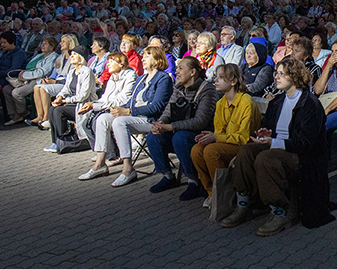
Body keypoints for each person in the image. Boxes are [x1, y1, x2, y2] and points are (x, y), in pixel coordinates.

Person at [221, 57, 334, 234]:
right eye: (276, 73)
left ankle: (280, 211)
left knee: (266, 158)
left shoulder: (310, 104)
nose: (276, 77)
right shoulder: (277, 102)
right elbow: (270, 129)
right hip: (278, 146)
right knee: (245, 152)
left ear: (295, 76)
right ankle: (243, 203)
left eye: (282, 74)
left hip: (302, 155)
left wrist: (273, 141)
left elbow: (305, 143)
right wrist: (265, 134)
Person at [80, 47, 174, 187]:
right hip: (136, 116)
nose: (142, 59)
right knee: (103, 119)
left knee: (119, 122)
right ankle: (100, 164)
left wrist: (127, 112)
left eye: (146, 57)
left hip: (152, 119)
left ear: (156, 60)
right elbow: (131, 101)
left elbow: (157, 107)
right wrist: (120, 109)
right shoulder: (141, 78)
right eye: (143, 56)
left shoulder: (163, 78)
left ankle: (127, 168)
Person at [145, 56, 218, 200]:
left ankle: (194, 181)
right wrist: (160, 124)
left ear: (192, 72)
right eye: (177, 68)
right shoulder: (178, 88)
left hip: (201, 133)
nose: (176, 72)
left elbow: (200, 121)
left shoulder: (206, 90)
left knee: (180, 138)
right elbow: (168, 111)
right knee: (153, 136)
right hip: (179, 129)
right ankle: (168, 176)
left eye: (180, 68)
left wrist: (170, 126)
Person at [190, 63, 261, 206]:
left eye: (221, 78)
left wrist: (216, 138)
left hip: (245, 146)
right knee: (196, 150)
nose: (216, 80)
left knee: (211, 151)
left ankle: (224, 194)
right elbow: (219, 132)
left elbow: (244, 138)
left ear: (234, 81)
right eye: (216, 77)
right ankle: (211, 192)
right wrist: (209, 136)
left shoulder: (245, 102)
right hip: (227, 143)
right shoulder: (221, 103)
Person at [76, 51, 137, 163]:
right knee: (86, 123)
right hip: (108, 107)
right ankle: (101, 152)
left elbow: (123, 99)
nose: (107, 64)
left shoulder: (130, 76)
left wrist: (96, 106)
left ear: (121, 64)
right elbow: (105, 97)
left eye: (111, 62)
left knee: (98, 121)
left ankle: (112, 155)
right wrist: (93, 104)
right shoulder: (113, 77)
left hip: (122, 110)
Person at [45, 46, 98, 153]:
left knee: (59, 111)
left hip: (83, 104)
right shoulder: (72, 71)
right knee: (52, 109)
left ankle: (64, 140)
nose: (71, 56)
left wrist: (64, 101)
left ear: (81, 57)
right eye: (71, 54)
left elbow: (83, 95)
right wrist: (59, 97)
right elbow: (66, 89)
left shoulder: (87, 71)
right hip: (72, 102)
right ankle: (56, 142)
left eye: (74, 54)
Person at [1, 35, 58, 126]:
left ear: (52, 46)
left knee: (16, 93)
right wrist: (22, 74)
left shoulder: (53, 57)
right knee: (6, 89)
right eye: (42, 44)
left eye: (46, 44)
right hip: (27, 79)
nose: (43, 45)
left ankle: (23, 113)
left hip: (38, 80)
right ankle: (14, 114)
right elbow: (29, 66)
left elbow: (42, 72)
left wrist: (25, 75)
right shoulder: (39, 55)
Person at [30, 33, 78, 128]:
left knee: (44, 89)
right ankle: (40, 116)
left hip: (65, 83)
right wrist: (49, 79)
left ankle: (47, 118)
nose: (61, 43)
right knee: (37, 87)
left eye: (63, 41)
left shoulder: (74, 57)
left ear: (70, 43)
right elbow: (54, 73)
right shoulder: (60, 57)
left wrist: (55, 82)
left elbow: (72, 77)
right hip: (56, 81)